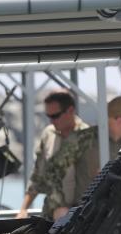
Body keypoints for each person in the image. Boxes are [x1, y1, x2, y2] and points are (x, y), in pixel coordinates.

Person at [18, 91, 98, 221]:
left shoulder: (88, 137)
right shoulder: (48, 134)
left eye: (55, 116)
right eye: (48, 116)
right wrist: (23, 209)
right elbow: (37, 176)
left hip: (79, 218)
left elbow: (94, 178)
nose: (51, 120)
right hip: (50, 215)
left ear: (70, 110)